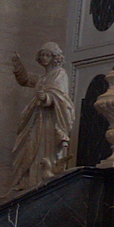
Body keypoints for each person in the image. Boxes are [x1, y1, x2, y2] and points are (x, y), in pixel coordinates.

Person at [9, 42, 76, 190]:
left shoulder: (59, 73)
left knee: (44, 150)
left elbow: (60, 96)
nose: (44, 58)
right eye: (42, 55)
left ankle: (38, 182)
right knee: (29, 147)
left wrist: (46, 97)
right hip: (36, 118)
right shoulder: (43, 77)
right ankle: (27, 181)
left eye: (48, 55)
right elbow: (26, 79)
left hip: (49, 120)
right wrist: (18, 65)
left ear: (54, 58)